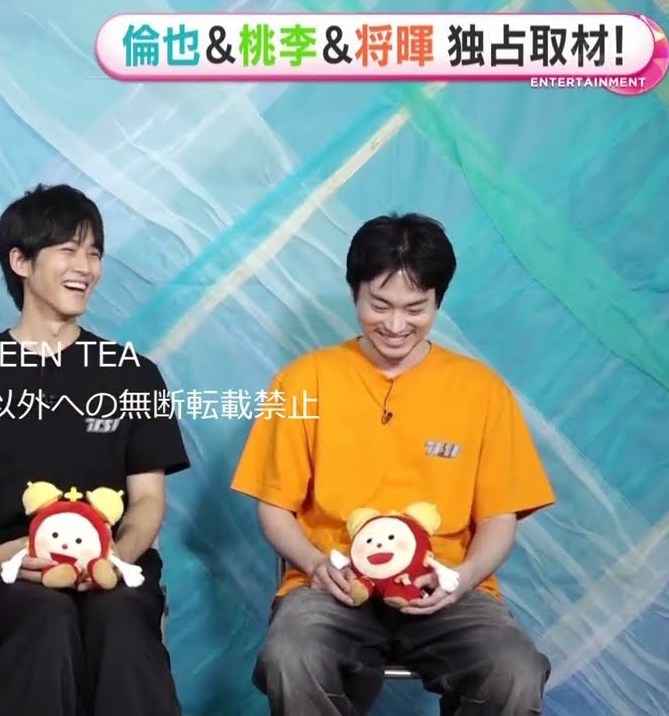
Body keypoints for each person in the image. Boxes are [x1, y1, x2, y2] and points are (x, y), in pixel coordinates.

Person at [230, 213, 556, 715]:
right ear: (354, 293)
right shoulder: (301, 382)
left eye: (415, 308)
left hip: (446, 588)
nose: (396, 325)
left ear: (437, 301)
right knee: (290, 655)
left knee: (514, 669)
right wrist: (316, 566)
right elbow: (274, 507)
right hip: (333, 586)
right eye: (379, 305)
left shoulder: (482, 391)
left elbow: (499, 519)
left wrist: (462, 577)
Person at [0, 184, 189, 716]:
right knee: (46, 618)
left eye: (94, 253)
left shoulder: (133, 374)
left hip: (113, 570)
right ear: (21, 261)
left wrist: (119, 556)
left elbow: (149, 499)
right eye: (68, 250)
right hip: (5, 574)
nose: (86, 267)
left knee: (120, 620)